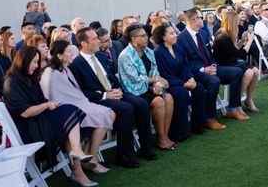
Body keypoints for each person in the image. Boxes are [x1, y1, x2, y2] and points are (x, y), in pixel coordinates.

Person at [3, 47, 96, 186]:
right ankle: (77, 166)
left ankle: (77, 158)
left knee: (70, 112)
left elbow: (41, 100)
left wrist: (50, 104)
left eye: (37, 62)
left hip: (39, 118)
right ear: (24, 61)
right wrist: (47, 105)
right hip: (28, 127)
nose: (36, 66)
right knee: (68, 116)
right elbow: (25, 112)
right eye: (34, 62)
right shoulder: (12, 82)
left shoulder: (30, 78)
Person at [69, 27, 154, 168]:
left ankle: (145, 148)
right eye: (95, 39)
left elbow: (111, 78)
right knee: (126, 108)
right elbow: (81, 92)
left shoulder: (101, 57)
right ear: (83, 43)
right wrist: (105, 95)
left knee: (142, 104)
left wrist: (118, 89)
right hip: (98, 99)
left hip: (114, 92)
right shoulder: (76, 64)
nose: (98, 41)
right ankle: (123, 156)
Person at [41, 40, 114, 174]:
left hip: (79, 103)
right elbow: (51, 96)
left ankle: (90, 155)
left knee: (109, 113)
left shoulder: (66, 68)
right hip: (65, 110)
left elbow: (75, 91)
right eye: (69, 52)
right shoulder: (50, 74)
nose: (72, 54)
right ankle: (91, 158)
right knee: (107, 113)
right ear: (59, 55)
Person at [177, 8, 246, 127]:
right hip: (196, 72)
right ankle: (210, 118)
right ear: (194, 20)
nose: (203, 20)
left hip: (211, 67)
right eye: (200, 17)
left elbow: (210, 54)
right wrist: (203, 69)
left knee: (237, 72)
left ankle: (233, 109)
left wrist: (213, 66)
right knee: (214, 81)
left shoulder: (203, 33)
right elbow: (184, 63)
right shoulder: (181, 38)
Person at [118, 23, 176, 151]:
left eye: (146, 35)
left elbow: (155, 72)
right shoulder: (125, 56)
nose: (147, 38)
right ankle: (161, 139)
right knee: (159, 101)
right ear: (134, 39)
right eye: (143, 36)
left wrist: (157, 85)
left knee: (169, 98)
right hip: (134, 90)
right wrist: (156, 80)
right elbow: (134, 79)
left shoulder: (149, 52)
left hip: (150, 88)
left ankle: (164, 136)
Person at [153, 23, 207, 141]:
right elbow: (163, 74)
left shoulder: (178, 48)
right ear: (163, 37)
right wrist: (183, 83)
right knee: (181, 93)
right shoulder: (158, 52)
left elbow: (185, 67)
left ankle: (197, 124)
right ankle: (178, 131)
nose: (176, 35)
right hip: (169, 83)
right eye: (171, 33)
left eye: (175, 32)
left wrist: (191, 78)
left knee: (199, 87)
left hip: (183, 80)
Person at [213, 10, 259, 113]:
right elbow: (242, 54)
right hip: (225, 64)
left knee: (256, 71)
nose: (238, 24)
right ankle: (236, 103)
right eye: (236, 21)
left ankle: (248, 99)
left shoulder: (228, 32)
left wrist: (242, 40)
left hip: (233, 61)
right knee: (249, 73)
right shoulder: (221, 36)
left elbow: (235, 50)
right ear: (231, 22)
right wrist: (250, 40)